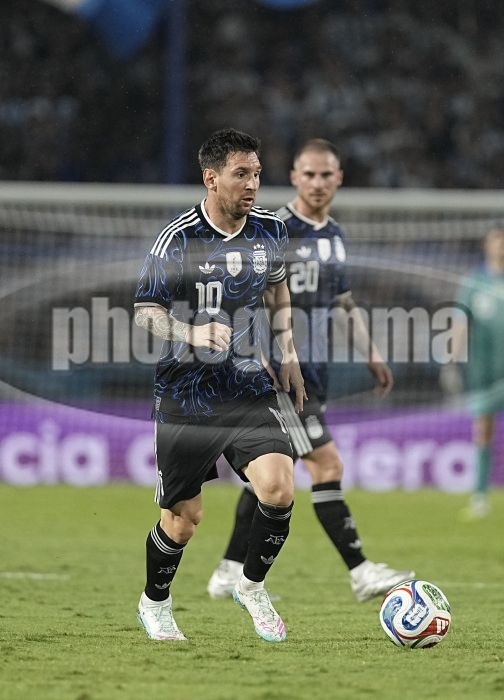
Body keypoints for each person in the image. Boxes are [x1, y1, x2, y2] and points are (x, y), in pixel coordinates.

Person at [207, 138, 414, 603]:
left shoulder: (334, 235)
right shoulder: (274, 229)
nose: (318, 183)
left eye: (326, 175)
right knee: (326, 463)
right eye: (309, 174)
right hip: (277, 374)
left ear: (339, 179)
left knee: (275, 473)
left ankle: (228, 571)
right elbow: (244, 297)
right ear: (294, 178)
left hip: (313, 373)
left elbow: (343, 302)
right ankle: (361, 571)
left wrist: (371, 354)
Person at [133, 128, 306, 643]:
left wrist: (288, 351)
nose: (252, 184)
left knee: (278, 487)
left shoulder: (270, 230)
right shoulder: (178, 239)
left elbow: (277, 288)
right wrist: (191, 332)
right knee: (184, 520)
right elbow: (145, 311)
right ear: (211, 179)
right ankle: (155, 602)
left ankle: (251, 586)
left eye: (257, 174)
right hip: (186, 394)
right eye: (240, 174)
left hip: (247, 384)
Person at [440, 226, 504, 520]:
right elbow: (460, 321)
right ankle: (480, 496)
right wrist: (451, 362)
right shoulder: (475, 281)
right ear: (487, 246)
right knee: (483, 429)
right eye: (496, 241)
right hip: (484, 371)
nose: (500, 247)